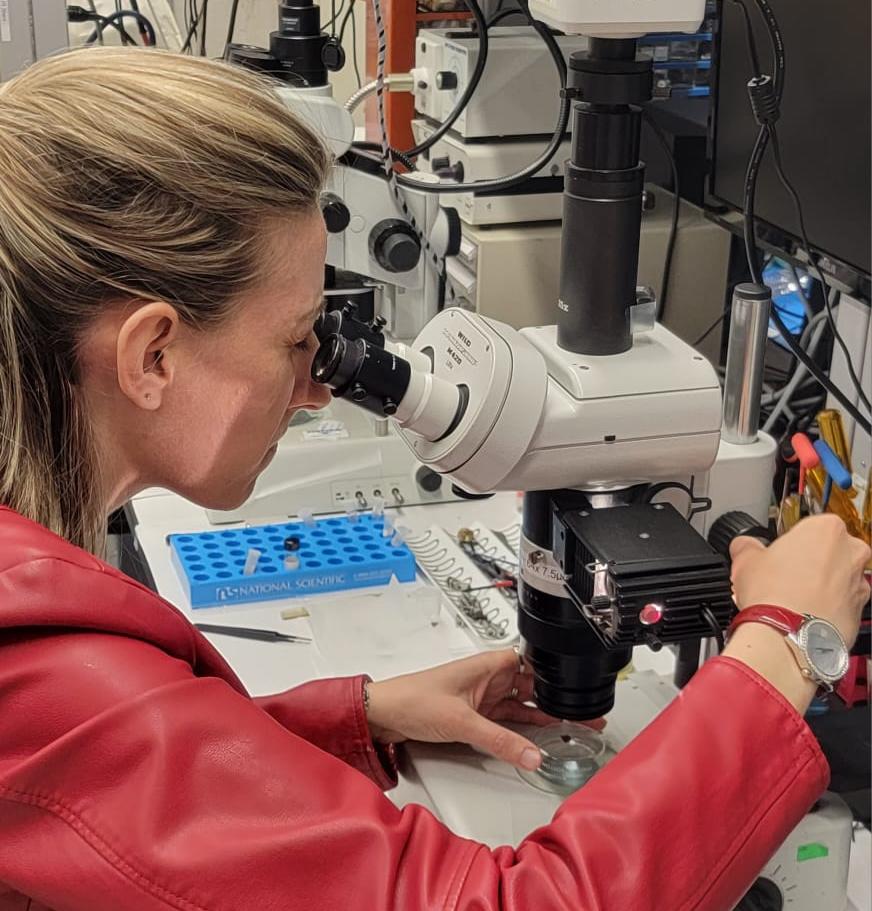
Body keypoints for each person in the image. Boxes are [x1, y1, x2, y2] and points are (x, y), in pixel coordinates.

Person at [0, 48, 868, 911]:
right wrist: (787, 643)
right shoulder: (43, 662)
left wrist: (357, 716)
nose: (314, 387)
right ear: (152, 354)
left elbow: (117, 784)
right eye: (297, 337)